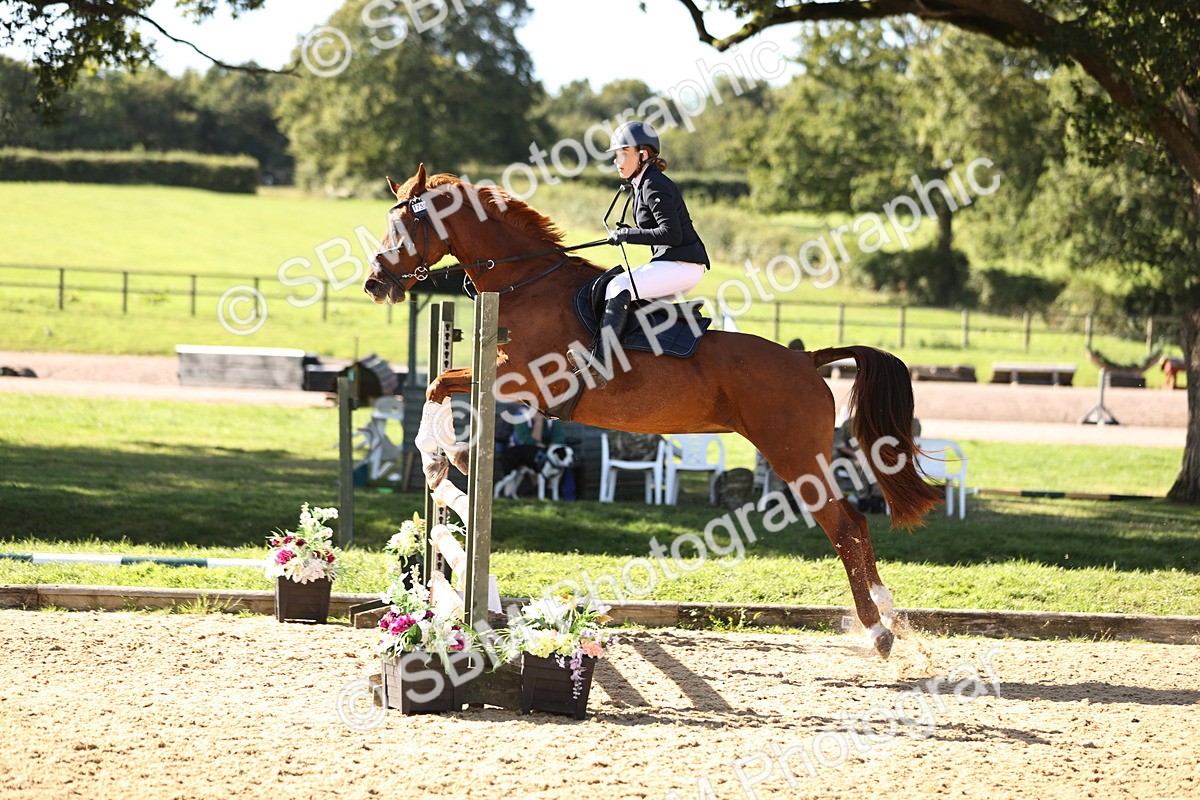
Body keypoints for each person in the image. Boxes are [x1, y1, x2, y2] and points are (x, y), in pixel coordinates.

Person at [567, 120, 711, 388]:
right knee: (622, 291)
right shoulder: (642, 183)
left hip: (683, 264)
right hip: (676, 263)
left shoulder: (654, 183)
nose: (617, 161)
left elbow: (671, 234)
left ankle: (601, 361)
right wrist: (628, 232)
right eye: (615, 156)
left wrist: (627, 235)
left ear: (642, 154)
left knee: (619, 285)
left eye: (623, 154)